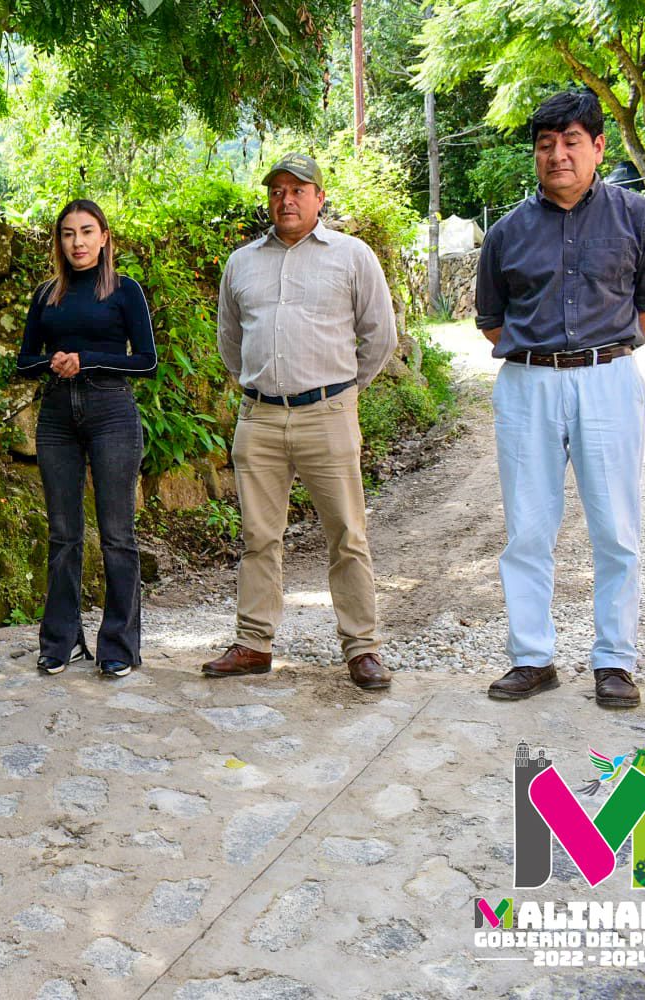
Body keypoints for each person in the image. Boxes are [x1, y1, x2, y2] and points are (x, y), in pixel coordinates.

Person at [475, 90, 645, 708]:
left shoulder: (639, 218)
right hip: (527, 384)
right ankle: (532, 658)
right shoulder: (507, 232)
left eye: (570, 143)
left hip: (609, 379)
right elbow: (492, 319)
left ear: (597, 147)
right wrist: (546, 360)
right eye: (545, 145)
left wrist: (597, 354)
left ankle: (614, 661)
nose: (557, 155)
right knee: (528, 530)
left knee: (616, 528)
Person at [204, 153, 397, 690]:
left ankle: (362, 649)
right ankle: (253, 643)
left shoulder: (352, 256)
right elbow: (230, 342)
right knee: (258, 536)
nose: (286, 199)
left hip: (328, 415)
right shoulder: (241, 263)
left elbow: (379, 336)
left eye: (298, 189)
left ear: (320, 197)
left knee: (347, 535)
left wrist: (343, 392)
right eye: (277, 191)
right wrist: (256, 384)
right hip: (260, 418)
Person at [16, 200, 156, 679]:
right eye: (68, 233)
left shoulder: (124, 291)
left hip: (111, 411)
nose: (77, 242)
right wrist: (53, 362)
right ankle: (62, 641)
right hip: (57, 414)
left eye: (86, 232)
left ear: (104, 237)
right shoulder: (46, 294)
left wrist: (89, 359)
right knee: (62, 534)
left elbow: (146, 361)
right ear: (59, 241)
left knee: (117, 534)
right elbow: (24, 360)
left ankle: (118, 644)